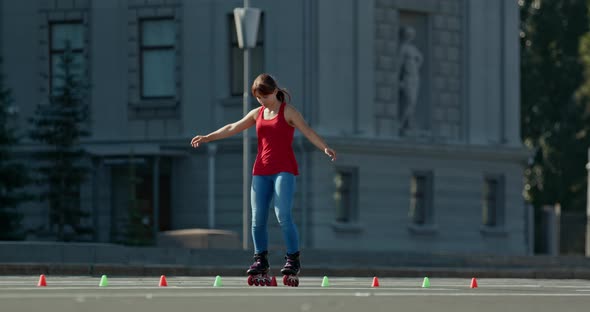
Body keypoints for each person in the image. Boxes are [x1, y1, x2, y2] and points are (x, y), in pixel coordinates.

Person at [190, 73, 336, 286]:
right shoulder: (257, 113)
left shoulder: (289, 112)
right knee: (257, 219)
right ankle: (260, 261)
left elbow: (307, 131)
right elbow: (233, 127)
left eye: (265, 97)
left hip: (283, 171)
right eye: (258, 98)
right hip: (261, 171)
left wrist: (324, 147)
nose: (262, 101)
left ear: (275, 91)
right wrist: (207, 137)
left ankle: (293, 259)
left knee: (282, 215)